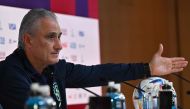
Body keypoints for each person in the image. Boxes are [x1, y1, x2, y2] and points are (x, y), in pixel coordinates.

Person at [0, 8, 188, 109]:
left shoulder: (56, 68)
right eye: (51, 37)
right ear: (28, 40)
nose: (59, 45)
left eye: (59, 37)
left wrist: (147, 69)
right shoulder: (9, 74)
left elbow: (98, 73)